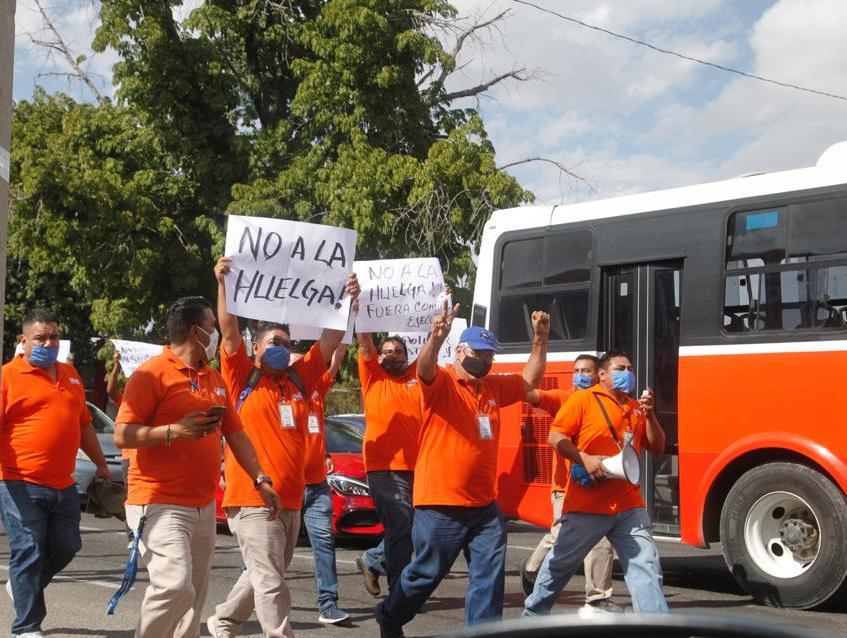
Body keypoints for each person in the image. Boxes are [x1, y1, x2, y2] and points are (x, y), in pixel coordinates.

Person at [205, 257, 359, 638]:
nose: (283, 349)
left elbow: (329, 341)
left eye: (288, 344)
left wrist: (345, 301)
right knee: (271, 580)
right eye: (276, 342)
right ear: (256, 346)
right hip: (251, 497)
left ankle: (223, 621)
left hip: (292, 498)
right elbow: (228, 332)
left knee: (265, 572)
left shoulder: (299, 379)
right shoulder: (242, 376)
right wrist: (223, 285)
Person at [375, 306, 549, 638]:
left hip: (484, 507)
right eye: (478, 354)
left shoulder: (494, 388)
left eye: (489, 356)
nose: (484, 361)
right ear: (458, 351)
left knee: (489, 578)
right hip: (440, 504)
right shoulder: (441, 382)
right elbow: (424, 368)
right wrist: (435, 337)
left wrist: (540, 340)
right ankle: (390, 614)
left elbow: (529, 380)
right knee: (426, 574)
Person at [114, 296, 280, 638]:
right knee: (176, 586)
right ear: (196, 332)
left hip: (204, 505)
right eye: (212, 326)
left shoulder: (214, 378)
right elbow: (122, 434)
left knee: (194, 600)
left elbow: (235, 434)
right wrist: (174, 431)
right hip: (159, 502)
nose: (217, 332)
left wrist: (260, 478)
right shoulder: (150, 375)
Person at [523, 351, 669, 616]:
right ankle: (532, 615)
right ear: (602, 374)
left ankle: (657, 625)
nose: (628, 373)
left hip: (628, 504)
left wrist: (650, 415)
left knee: (646, 566)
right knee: (560, 566)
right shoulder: (583, 400)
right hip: (587, 504)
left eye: (630, 368)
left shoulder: (636, 407)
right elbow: (556, 437)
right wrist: (585, 459)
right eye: (620, 368)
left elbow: (657, 446)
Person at [0, 308, 111, 638]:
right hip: (18, 481)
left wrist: (102, 466)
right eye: (40, 338)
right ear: (24, 341)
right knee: (30, 550)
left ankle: (23, 584)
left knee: (67, 547)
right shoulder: (7, 377)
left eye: (53, 336)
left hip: (64, 482)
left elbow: (85, 426)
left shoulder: (71, 375)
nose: (48, 342)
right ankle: (27, 627)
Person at [519, 354, 621, 615]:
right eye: (576, 370)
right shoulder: (564, 398)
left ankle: (598, 598)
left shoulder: (608, 402)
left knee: (600, 542)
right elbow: (529, 394)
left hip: (596, 486)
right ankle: (532, 571)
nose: (580, 375)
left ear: (597, 374)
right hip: (564, 487)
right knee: (558, 536)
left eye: (586, 370)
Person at [354, 331, 420, 598]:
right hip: (384, 468)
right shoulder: (373, 376)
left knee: (418, 528)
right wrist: (362, 312)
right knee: (401, 527)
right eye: (388, 352)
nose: (393, 356)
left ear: (407, 356)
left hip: (418, 467)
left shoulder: (416, 378)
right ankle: (399, 591)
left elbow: (431, 347)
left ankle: (373, 560)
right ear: (379, 357)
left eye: (399, 352)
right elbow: (365, 343)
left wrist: (442, 314)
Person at [297, 345, 352, 625]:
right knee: (270, 551)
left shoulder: (317, 389)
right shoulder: (272, 394)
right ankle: (252, 595)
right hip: (286, 488)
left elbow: (335, 360)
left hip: (317, 486)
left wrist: (346, 326)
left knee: (324, 542)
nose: (301, 373)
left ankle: (328, 605)